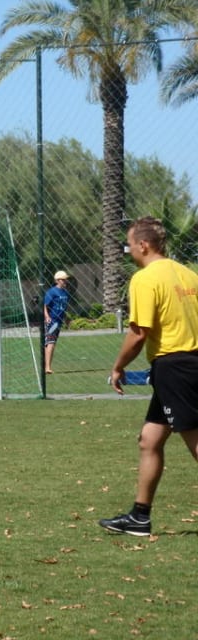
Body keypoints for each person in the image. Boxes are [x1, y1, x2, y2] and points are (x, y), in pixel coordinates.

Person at [99, 217, 198, 537]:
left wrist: (117, 367)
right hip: (188, 363)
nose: (129, 251)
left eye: (129, 245)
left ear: (143, 245)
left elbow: (139, 333)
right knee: (150, 440)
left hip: (175, 366)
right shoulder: (188, 274)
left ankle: (140, 516)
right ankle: (140, 517)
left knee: (195, 441)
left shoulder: (145, 279)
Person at [43, 270, 71, 373]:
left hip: (59, 321)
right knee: (50, 343)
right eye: (63, 280)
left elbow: (64, 307)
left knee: (51, 343)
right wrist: (46, 316)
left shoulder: (66, 293)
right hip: (52, 321)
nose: (65, 282)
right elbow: (45, 305)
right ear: (57, 280)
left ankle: (47, 366)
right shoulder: (52, 292)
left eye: (65, 280)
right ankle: (47, 368)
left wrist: (66, 318)